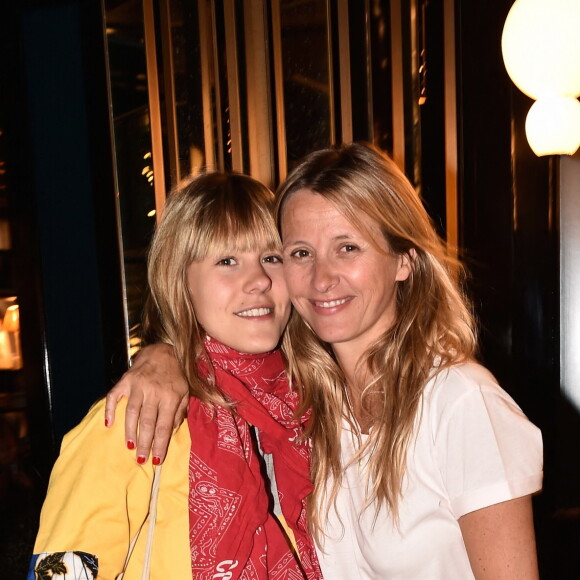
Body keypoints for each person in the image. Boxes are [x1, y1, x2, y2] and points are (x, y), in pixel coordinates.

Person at [106, 143, 543, 579]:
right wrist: (166, 352)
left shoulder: (460, 403)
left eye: (348, 247)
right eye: (300, 253)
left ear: (404, 261)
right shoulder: (305, 412)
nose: (321, 278)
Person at [29, 172, 322, 580]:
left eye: (271, 258)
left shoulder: (309, 410)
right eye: (227, 261)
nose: (258, 281)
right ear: (179, 279)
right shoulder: (138, 417)